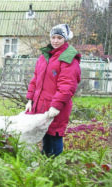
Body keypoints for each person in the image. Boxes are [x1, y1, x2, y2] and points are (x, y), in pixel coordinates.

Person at [25, 24, 81, 157]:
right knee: (45, 134)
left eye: (59, 38)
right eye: (53, 37)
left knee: (55, 135)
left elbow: (67, 86)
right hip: (41, 105)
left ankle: (56, 167)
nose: (55, 41)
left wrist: (56, 106)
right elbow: (35, 79)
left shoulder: (68, 58)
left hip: (56, 107)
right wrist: (30, 99)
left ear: (65, 39)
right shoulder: (45, 56)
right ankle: (45, 164)